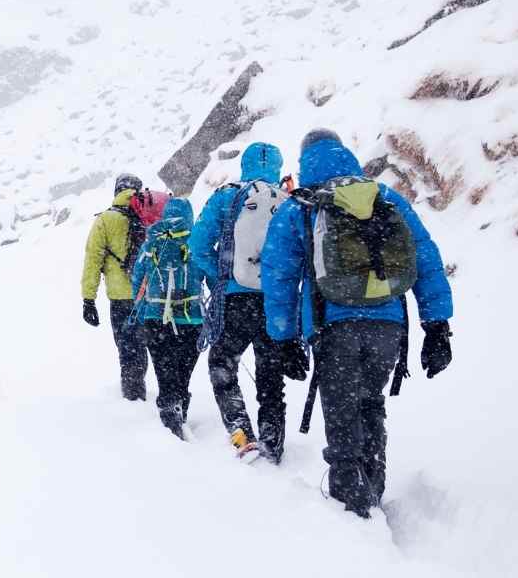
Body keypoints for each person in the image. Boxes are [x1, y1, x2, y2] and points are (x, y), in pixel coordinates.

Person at [261, 129, 454, 517]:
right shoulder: (384, 197)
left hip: (333, 328)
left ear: (304, 161)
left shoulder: (300, 207)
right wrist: (436, 325)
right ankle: (373, 489)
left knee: (342, 413)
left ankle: (354, 509)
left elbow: (279, 276)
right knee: (370, 402)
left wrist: (283, 339)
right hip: (388, 327)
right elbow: (425, 258)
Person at [190, 142, 290, 462]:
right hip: (274, 303)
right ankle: (272, 437)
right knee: (270, 373)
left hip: (234, 301)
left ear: (245, 165)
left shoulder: (226, 196)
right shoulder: (287, 202)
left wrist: (219, 274)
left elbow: (198, 245)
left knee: (222, 365)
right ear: (277, 166)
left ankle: (241, 432)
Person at [80, 174, 168, 401]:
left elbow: (93, 261)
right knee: (154, 347)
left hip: (121, 298)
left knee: (128, 349)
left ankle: (133, 398)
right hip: (150, 295)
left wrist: (88, 299)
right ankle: (169, 397)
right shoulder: (152, 214)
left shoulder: (106, 220)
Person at [128, 197, 206, 437]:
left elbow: (137, 281)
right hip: (191, 320)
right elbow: (211, 274)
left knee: (164, 371)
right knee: (183, 372)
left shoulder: (151, 244)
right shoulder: (196, 242)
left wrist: (141, 314)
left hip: (156, 319)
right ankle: (180, 406)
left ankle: (169, 417)